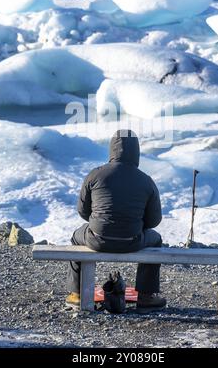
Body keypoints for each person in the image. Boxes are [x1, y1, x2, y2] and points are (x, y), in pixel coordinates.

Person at [66, 129, 166, 312]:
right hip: (132, 240)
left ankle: (77, 294)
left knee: (76, 236)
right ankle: (146, 296)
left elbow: (82, 211)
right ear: (136, 152)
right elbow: (153, 221)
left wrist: (101, 221)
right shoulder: (146, 180)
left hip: (96, 238)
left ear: (112, 150)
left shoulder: (95, 175)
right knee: (156, 239)